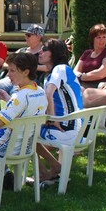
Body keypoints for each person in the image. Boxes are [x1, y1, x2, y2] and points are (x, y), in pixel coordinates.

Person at [0, 51, 48, 159]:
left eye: (12, 70)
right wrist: (7, 99)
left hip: (5, 148)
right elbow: (25, 109)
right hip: (26, 147)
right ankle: (4, 169)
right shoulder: (40, 92)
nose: (8, 74)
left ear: (26, 72)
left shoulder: (19, 97)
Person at [35, 38, 85, 183]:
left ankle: (47, 172)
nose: (40, 52)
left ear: (55, 53)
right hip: (75, 128)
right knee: (28, 133)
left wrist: (52, 120)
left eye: (45, 49)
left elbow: (48, 94)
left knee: (24, 135)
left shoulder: (60, 69)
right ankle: (53, 170)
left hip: (67, 129)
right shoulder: (60, 71)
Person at [0, 24, 48, 121]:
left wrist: (29, 67)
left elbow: (48, 67)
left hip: (29, 81)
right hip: (10, 79)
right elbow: (6, 63)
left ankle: (11, 122)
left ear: (38, 37)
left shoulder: (43, 53)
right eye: (25, 35)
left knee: (16, 92)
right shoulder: (21, 51)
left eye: (29, 35)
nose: (26, 37)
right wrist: (13, 68)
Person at [75, 23, 106, 88]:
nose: (102, 40)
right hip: (83, 84)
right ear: (93, 39)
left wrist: (81, 77)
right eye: (99, 37)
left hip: (101, 86)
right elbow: (75, 71)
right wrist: (81, 76)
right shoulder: (87, 53)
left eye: (104, 37)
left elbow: (101, 74)